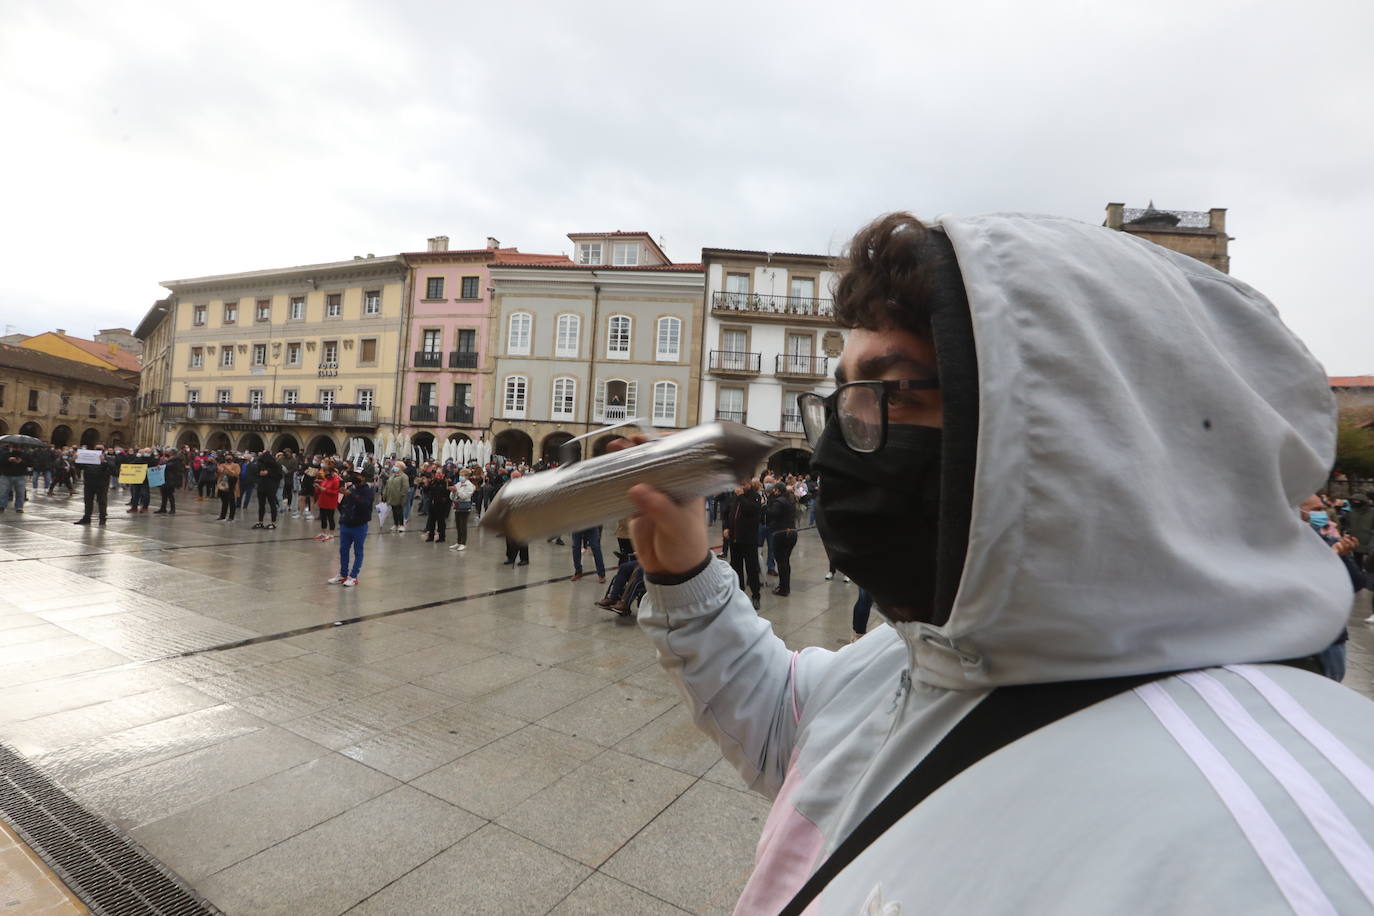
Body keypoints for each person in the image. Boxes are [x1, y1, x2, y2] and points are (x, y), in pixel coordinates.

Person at [621, 211, 1374, 913]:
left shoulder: (1293, 852)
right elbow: (794, 729)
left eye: (890, 394)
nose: (839, 448)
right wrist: (687, 581)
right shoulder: (937, 649)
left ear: (1070, 422)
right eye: (846, 399)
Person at [329, 470, 374, 587]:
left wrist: (351, 495)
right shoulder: (351, 488)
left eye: (357, 475)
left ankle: (353, 576)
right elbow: (343, 504)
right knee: (343, 550)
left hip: (359, 525)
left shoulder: (367, 491)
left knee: (358, 551)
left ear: (363, 477)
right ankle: (343, 574)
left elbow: (364, 504)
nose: (354, 478)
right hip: (346, 523)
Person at [723, 481, 762, 608]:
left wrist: (740, 496)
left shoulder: (755, 496)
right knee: (736, 567)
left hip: (748, 540)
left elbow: (750, 510)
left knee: (752, 568)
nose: (740, 486)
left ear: (749, 484)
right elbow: (727, 513)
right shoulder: (733, 497)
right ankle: (739, 593)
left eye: (743, 483)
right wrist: (726, 528)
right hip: (735, 539)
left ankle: (756, 595)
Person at [766, 483, 798, 596]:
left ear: (778, 490)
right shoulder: (790, 500)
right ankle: (785, 586)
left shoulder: (779, 501)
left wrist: (765, 507)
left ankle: (783, 588)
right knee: (786, 561)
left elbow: (773, 513)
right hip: (792, 532)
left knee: (781, 562)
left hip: (781, 533)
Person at [72, 446, 113, 525]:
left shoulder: (108, 458)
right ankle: (86, 518)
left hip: (101, 484)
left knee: (102, 501)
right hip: (89, 483)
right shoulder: (89, 459)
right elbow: (79, 467)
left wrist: (104, 461)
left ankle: (102, 519)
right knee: (88, 501)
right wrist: (75, 460)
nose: (98, 450)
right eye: (96, 448)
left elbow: (113, 469)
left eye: (100, 449)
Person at [251, 450, 282, 529]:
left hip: (271, 487)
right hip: (261, 486)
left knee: (272, 504)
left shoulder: (276, 465)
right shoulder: (260, 464)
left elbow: (279, 476)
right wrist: (259, 473)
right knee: (261, 505)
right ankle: (260, 522)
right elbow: (255, 473)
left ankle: (273, 523)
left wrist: (268, 473)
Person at [0, 443, 31, 513]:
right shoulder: (6, 454)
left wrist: (21, 462)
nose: (16, 449)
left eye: (18, 447)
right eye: (14, 447)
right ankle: (1, 506)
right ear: (11, 447)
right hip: (6, 475)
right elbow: (1, 462)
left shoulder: (25, 455)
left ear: (21, 448)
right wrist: (8, 460)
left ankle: (19, 507)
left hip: (20, 475)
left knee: (20, 492)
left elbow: (30, 464)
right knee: (3, 492)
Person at [422, 470, 450, 542]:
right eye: (437, 473)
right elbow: (426, 490)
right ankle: (431, 536)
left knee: (441, 522)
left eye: (440, 473)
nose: (438, 475)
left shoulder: (445, 482)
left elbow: (447, 493)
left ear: (443, 474)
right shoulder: (433, 482)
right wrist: (425, 484)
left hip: (441, 505)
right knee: (431, 521)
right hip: (432, 504)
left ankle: (442, 537)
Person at [450, 469, 475, 550]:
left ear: (467, 476)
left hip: (465, 507)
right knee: (458, 525)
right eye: (460, 475)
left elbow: (464, 496)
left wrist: (457, 492)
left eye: (463, 475)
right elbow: (451, 497)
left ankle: (463, 543)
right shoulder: (458, 484)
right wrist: (453, 492)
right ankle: (459, 542)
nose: (461, 477)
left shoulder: (469, 485)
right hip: (457, 506)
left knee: (463, 525)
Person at [314, 467, 340, 539]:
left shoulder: (335, 481)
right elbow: (320, 490)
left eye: (327, 472)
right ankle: (323, 532)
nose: (326, 473)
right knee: (323, 518)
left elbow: (335, 492)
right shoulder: (325, 480)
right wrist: (317, 488)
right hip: (323, 501)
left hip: (330, 502)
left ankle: (331, 534)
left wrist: (325, 490)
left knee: (330, 518)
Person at [154, 449, 183, 514]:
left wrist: (162, 465)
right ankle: (163, 508)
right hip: (165, 479)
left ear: (172, 453)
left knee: (170, 495)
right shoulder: (170, 459)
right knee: (164, 494)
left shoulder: (176, 460)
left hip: (171, 480)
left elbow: (169, 466)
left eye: (169, 452)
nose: (167, 453)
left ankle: (173, 509)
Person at [215, 453, 241, 521]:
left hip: (231, 486)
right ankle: (222, 516)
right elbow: (219, 473)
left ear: (232, 458)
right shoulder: (222, 465)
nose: (228, 459)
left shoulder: (236, 465)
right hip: (222, 485)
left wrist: (226, 469)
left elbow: (235, 474)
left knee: (232, 502)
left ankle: (231, 517)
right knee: (224, 502)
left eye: (230, 458)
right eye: (227, 458)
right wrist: (218, 470)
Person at [383, 463, 408, 532]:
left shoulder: (404, 476)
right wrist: (384, 494)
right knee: (394, 511)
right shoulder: (392, 476)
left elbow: (405, 487)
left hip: (399, 497)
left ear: (401, 468)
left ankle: (401, 525)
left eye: (397, 466)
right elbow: (387, 485)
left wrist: (402, 495)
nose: (395, 467)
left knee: (399, 511)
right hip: (391, 497)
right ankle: (395, 524)